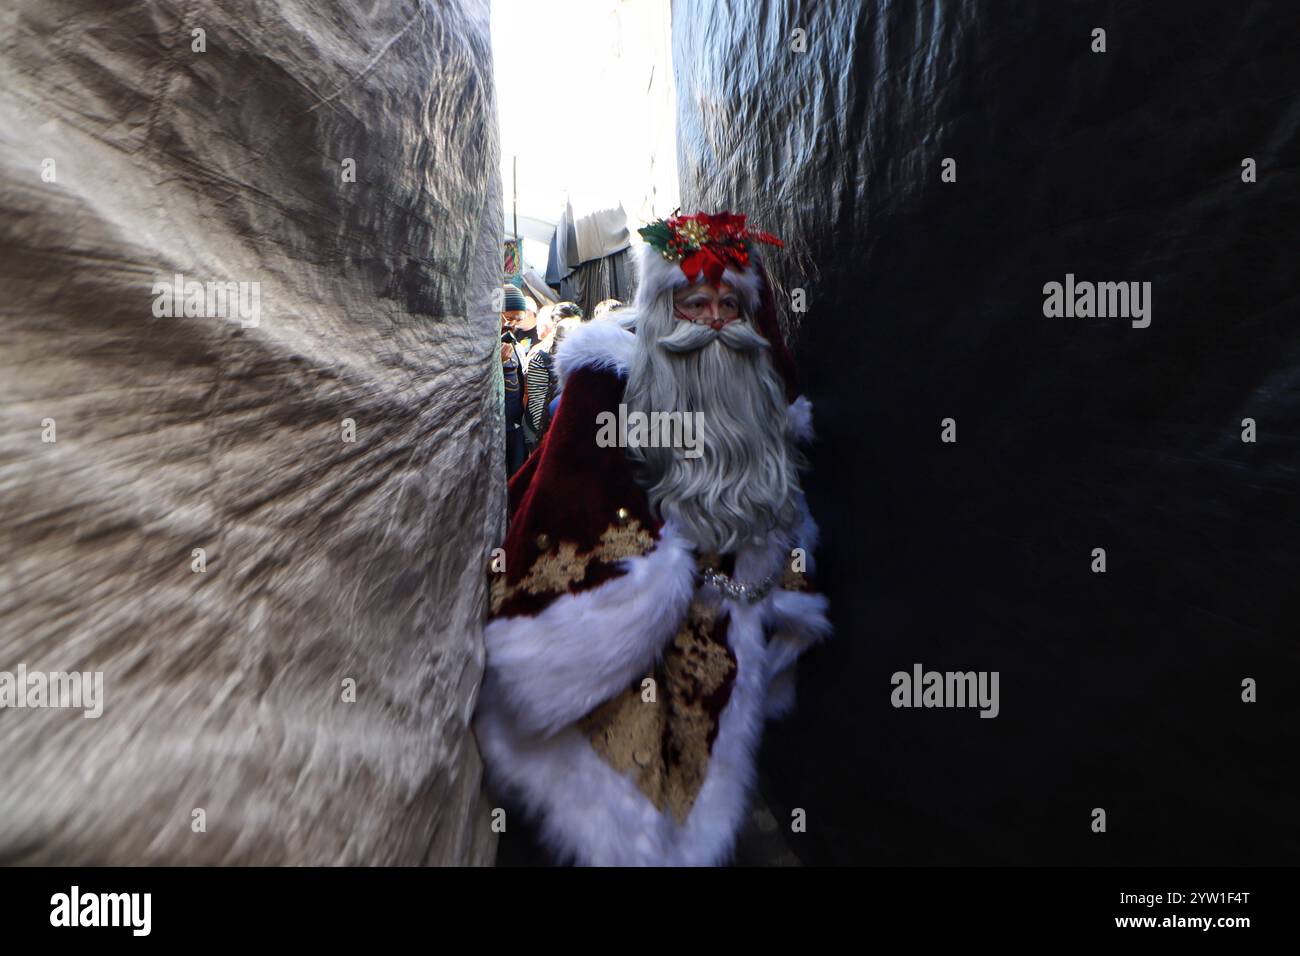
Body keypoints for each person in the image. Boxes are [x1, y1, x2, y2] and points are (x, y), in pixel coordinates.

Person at [475, 210, 831, 866]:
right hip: (625, 625)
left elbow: (781, 505)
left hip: (718, 626)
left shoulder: (756, 394)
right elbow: (569, 498)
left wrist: (772, 584)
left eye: (729, 303)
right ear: (666, 307)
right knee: (626, 797)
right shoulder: (609, 380)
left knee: (698, 781)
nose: (715, 318)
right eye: (696, 301)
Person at [524, 302, 582, 446]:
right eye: (568, 326)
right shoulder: (540, 357)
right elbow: (537, 406)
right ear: (555, 326)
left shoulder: (581, 354)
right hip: (547, 433)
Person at [500, 285, 530, 476]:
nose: (512, 325)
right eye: (509, 318)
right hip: (496, 430)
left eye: (518, 320)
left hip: (516, 427)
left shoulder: (516, 346)